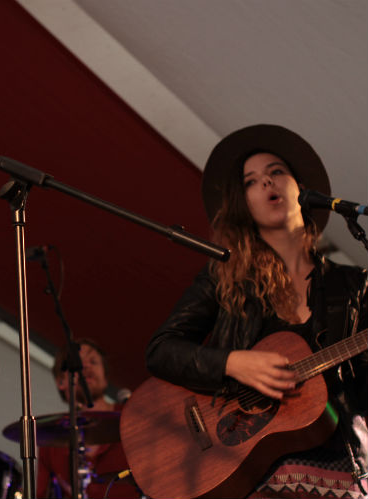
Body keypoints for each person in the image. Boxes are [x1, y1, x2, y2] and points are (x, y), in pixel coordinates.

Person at [146, 124, 367, 498]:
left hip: (343, 469)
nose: (267, 183)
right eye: (252, 180)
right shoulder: (224, 277)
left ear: (301, 188)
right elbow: (161, 350)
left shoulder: (354, 285)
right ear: (243, 202)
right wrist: (233, 363)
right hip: (254, 472)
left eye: (276, 172)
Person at [36, 339, 139, 498]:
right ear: (61, 381)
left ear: (105, 376)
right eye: (78, 363)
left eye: (93, 361)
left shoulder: (133, 418)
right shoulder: (49, 438)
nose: (86, 366)